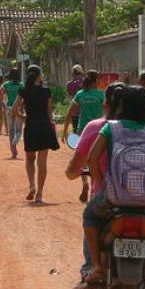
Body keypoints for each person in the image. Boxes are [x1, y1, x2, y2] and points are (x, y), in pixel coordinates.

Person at [83, 86, 145, 287]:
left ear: (122, 106)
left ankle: (94, 266)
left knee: (90, 216)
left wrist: (101, 181)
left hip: (113, 197)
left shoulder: (110, 128)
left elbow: (92, 158)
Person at [65, 82, 126, 283]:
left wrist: (94, 177)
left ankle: (91, 267)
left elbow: (75, 169)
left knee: (90, 218)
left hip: (105, 196)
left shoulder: (96, 128)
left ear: (105, 103)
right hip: (142, 196)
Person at [12, 65, 59, 203]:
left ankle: (32, 185)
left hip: (31, 127)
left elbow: (13, 110)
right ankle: (39, 193)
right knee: (42, 161)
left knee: (30, 158)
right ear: (39, 76)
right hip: (44, 126)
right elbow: (49, 113)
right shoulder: (46, 92)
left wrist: (24, 117)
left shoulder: (24, 91)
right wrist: (52, 128)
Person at [62, 70, 105, 203]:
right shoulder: (101, 95)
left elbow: (69, 113)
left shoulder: (80, 95)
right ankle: (94, 188)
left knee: (82, 159)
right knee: (96, 159)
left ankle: (85, 183)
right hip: (99, 131)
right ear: (96, 81)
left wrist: (64, 131)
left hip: (83, 131)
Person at [0, 68, 24, 159]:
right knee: (19, 131)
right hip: (18, 108)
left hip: (9, 108)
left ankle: (13, 151)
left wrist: (3, 103)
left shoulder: (6, 84)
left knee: (11, 131)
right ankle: (15, 143)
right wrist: (22, 105)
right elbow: (25, 97)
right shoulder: (21, 84)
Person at [66, 64, 84, 133]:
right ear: (81, 73)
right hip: (85, 110)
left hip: (74, 110)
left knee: (76, 130)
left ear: (72, 73)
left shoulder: (69, 84)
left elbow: (70, 93)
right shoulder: (85, 83)